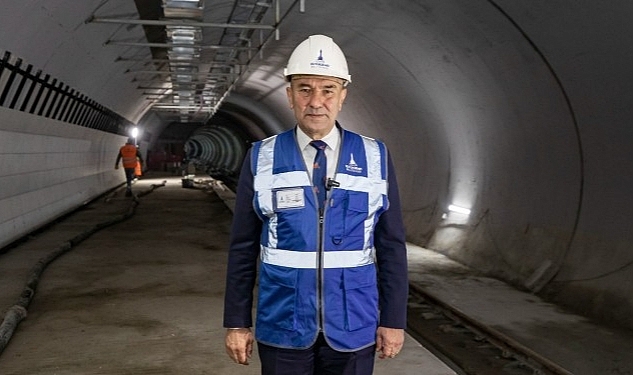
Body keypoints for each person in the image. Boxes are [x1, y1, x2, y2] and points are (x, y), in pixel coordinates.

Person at [223, 34, 408, 375]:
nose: (316, 101)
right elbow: (243, 247)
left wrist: (394, 320)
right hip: (283, 322)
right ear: (289, 95)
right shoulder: (261, 156)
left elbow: (392, 245)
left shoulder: (374, 156)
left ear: (343, 96)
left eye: (328, 90)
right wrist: (236, 322)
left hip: (354, 324)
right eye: (305, 89)